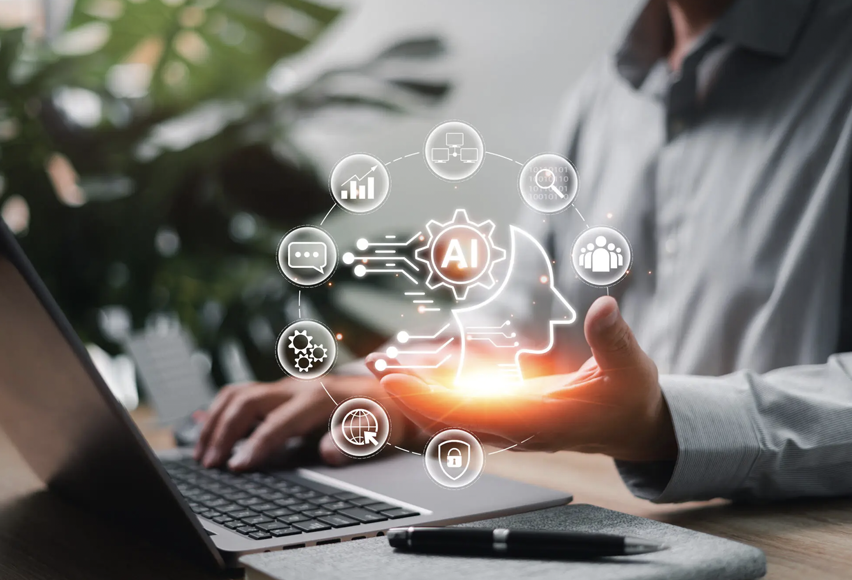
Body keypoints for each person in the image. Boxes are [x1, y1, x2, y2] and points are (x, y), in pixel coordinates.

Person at [194, 0, 852, 503]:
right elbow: (523, 319)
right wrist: (390, 389)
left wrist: (666, 425)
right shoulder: (608, 88)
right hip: (621, 520)